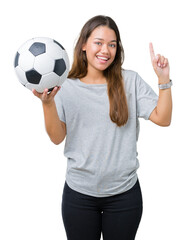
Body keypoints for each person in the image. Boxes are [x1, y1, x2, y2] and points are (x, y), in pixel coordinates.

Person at [33, 15, 172, 240]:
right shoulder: (64, 86)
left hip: (124, 196)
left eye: (112, 44)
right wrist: (47, 103)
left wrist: (164, 80)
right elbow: (57, 137)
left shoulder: (130, 81)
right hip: (79, 195)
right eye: (98, 42)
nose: (105, 50)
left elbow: (163, 118)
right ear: (84, 45)